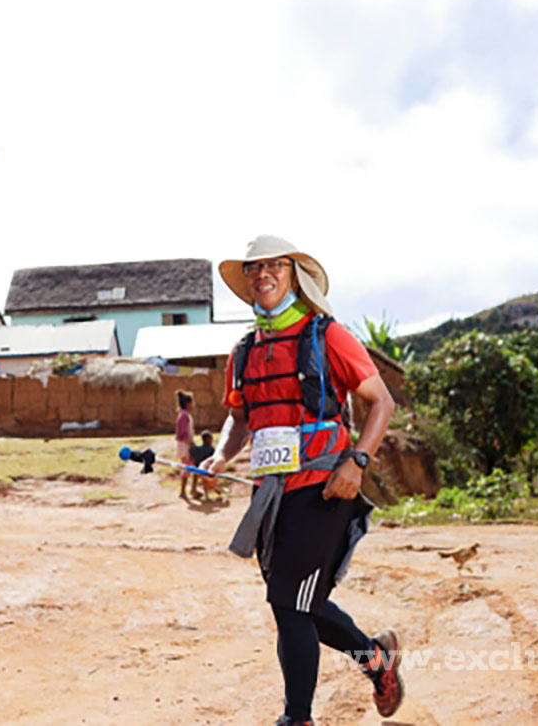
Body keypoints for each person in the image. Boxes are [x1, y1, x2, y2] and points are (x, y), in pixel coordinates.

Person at [199, 236, 401, 725]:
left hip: (325, 487)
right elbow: (242, 418)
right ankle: (376, 660)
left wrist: (356, 462)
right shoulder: (244, 350)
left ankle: (297, 719)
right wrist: (222, 458)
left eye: (273, 265)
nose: (262, 274)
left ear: (294, 275)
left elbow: (382, 401)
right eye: (254, 268)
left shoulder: (326, 334)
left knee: (288, 599)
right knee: (300, 601)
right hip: (270, 494)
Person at [174, 391, 197, 499]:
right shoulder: (184, 415)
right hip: (185, 445)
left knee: (192, 466)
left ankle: (192, 489)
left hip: (185, 444)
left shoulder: (185, 415)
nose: (194, 404)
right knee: (188, 467)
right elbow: (184, 433)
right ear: (188, 404)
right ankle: (184, 491)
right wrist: (192, 444)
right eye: (192, 402)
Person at [188, 430, 218, 499]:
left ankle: (193, 489)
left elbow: (191, 450)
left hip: (196, 470)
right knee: (208, 478)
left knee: (195, 473)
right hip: (205, 470)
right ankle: (209, 493)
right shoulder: (211, 449)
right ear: (208, 439)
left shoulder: (197, 449)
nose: (212, 441)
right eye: (211, 439)